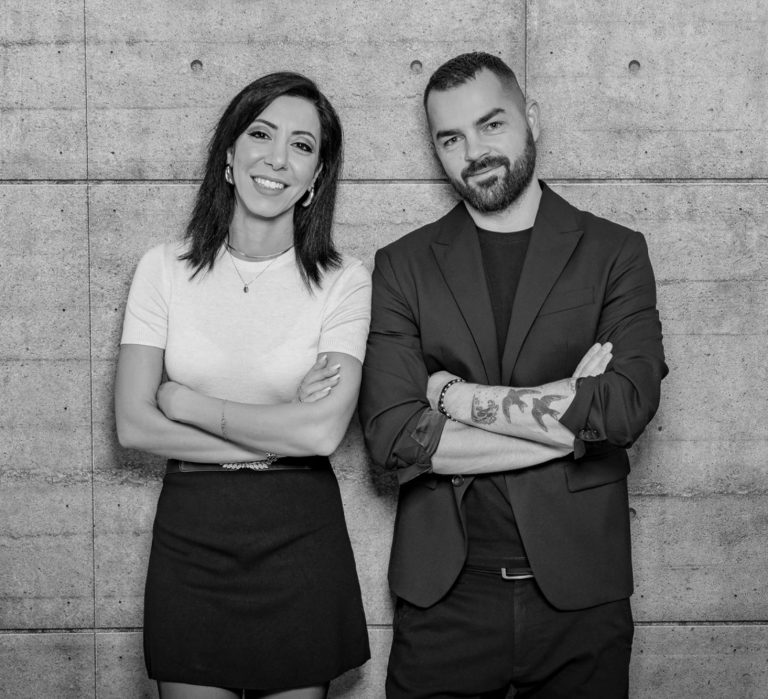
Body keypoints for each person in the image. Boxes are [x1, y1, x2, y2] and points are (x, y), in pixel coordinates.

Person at [359, 52, 667, 698]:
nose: (474, 152)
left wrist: (452, 395)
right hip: (444, 601)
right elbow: (392, 437)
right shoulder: (402, 266)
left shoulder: (615, 252)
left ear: (533, 118)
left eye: (491, 124)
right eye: (450, 138)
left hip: (581, 598)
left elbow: (625, 405)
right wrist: (572, 423)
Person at [115, 72, 371, 699]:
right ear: (229, 154)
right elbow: (134, 426)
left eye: (301, 146)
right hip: (193, 533)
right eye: (261, 134)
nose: (277, 159)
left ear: (316, 177)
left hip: (300, 536)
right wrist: (280, 433)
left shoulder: (344, 280)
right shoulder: (163, 269)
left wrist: (185, 403)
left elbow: (323, 433)